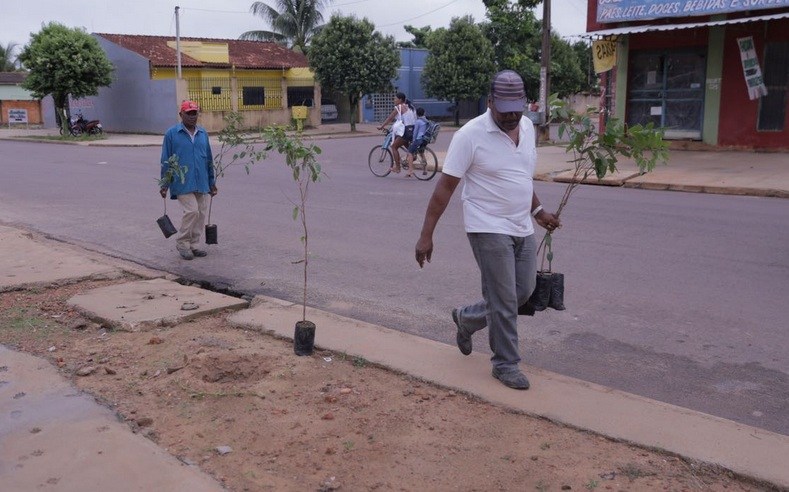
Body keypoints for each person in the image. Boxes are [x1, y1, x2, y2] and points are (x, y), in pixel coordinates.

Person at [414, 70, 561, 390]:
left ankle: (466, 319)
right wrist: (427, 234)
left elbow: (520, 176)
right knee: (506, 297)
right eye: (503, 108)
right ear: (490, 101)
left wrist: (537, 211)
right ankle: (505, 364)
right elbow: (444, 189)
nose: (510, 115)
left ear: (524, 104)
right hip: (486, 225)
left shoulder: (526, 127)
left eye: (516, 108)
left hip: (521, 225)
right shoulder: (469, 135)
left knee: (523, 290)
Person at [159, 100, 217, 260]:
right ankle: (182, 243)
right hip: (181, 181)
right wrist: (165, 184)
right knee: (192, 211)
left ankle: (194, 245)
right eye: (189, 113)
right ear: (181, 115)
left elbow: (209, 159)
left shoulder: (203, 133)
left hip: (202, 181)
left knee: (201, 213)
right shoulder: (172, 134)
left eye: (195, 113)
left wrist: (212, 182)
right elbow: (166, 159)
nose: (192, 116)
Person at [377, 92, 416, 173]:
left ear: (400, 99)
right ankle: (413, 154)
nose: (394, 100)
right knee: (405, 143)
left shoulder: (399, 107)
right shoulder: (410, 106)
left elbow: (390, 118)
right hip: (412, 130)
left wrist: (382, 126)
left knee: (394, 146)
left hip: (406, 131)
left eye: (395, 98)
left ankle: (397, 168)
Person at [404, 107, 429, 178]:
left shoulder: (418, 122)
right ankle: (425, 169)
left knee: (410, 152)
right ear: (424, 113)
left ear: (417, 114)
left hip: (419, 139)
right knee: (421, 153)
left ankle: (410, 170)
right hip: (425, 140)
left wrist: (413, 140)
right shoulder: (426, 121)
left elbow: (415, 133)